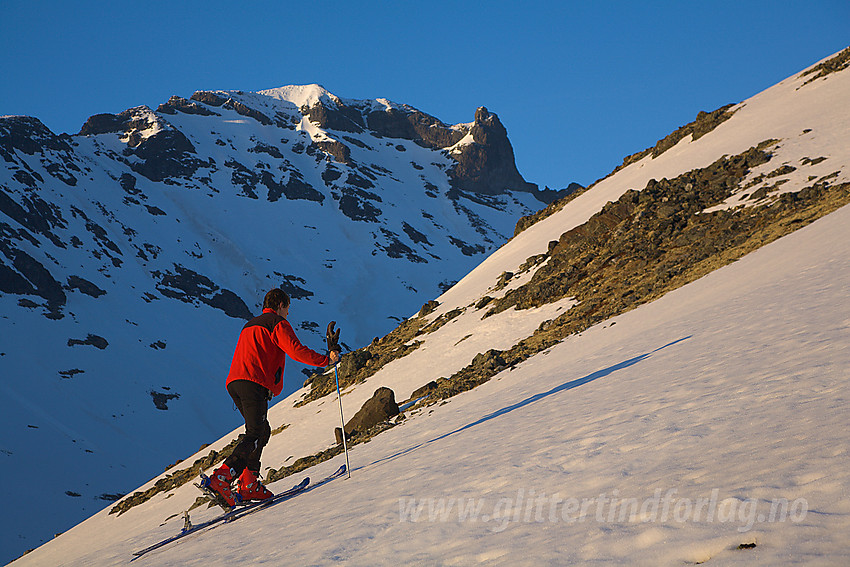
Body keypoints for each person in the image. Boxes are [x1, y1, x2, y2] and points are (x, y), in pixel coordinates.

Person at [205, 288, 341, 505]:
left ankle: (248, 483)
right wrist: (326, 360)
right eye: (287, 309)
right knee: (255, 433)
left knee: (261, 431)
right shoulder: (276, 323)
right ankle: (223, 477)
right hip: (253, 382)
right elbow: (296, 351)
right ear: (280, 305)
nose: (288, 314)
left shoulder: (250, 324)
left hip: (235, 382)